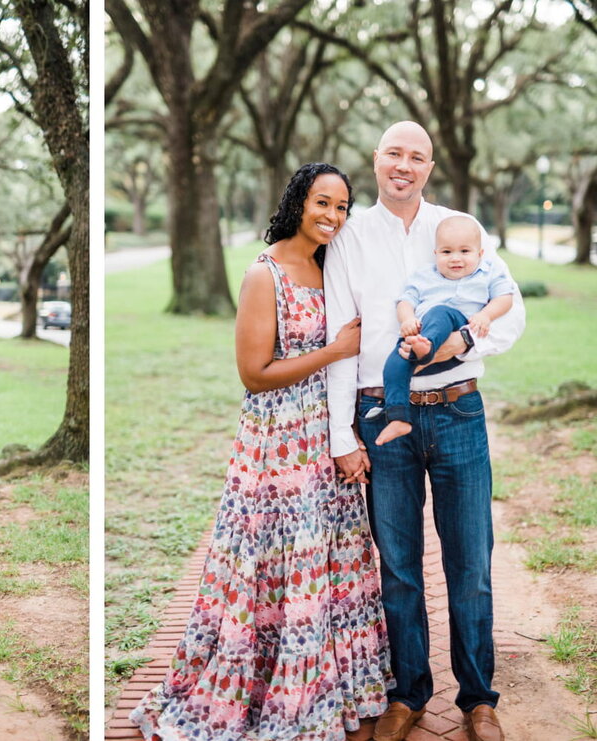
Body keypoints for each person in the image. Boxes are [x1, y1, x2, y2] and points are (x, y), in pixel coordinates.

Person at [130, 163, 392, 741]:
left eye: (343, 207)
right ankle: (264, 686)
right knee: (275, 566)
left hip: (329, 436)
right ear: (299, 201)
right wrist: (333, 350)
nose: (332, 216)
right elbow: (255, 373)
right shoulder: (263, 272)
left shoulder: (333, 265)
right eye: (323, 202)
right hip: (278, 443)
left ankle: (331, 687)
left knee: (328, 562)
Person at [324, 121, 526, 741]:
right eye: (393, 154)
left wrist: (469, 336)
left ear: (429, 167)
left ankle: (478, 700)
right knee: (399, 566)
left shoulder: (457, 229)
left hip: (459, 410)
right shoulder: (350, 236)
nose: (403, 166)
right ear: (376, 160)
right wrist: (341, 435)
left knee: (471, 563)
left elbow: (511, 308)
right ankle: (406, 694)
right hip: (383, 417)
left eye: (417, 157)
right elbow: (340, 338)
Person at [376, 214, 515, 446]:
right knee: (394, 362)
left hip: (456, 329)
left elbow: (505, 298)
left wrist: (485, 315)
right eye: (447, 252)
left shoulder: (488, 272)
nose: (455, 258)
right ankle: (398, 417)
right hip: (421, 337)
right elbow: (405, 301)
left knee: (440, 312)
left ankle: (425, 348)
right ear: (436, 254)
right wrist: (407, 318)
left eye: (465, 251)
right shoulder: (424, 276)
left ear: (480, 254)